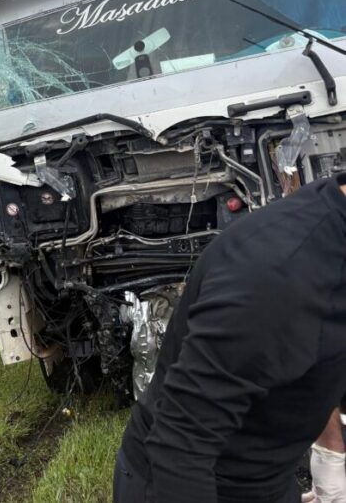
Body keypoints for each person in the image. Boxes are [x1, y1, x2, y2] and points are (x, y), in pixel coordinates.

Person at [114, 173, 346, 503]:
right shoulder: (275, 279)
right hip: (192, 482)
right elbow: (180, 447)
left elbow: (325, 350)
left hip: (268, 476)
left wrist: (332, 452)